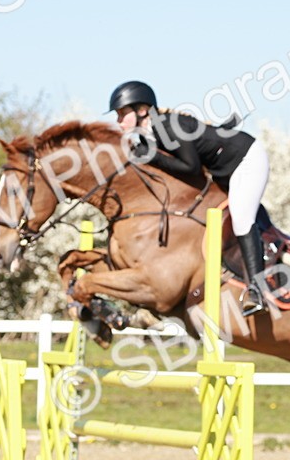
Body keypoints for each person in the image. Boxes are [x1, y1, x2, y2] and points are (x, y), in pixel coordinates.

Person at [108, 80, 269, 315]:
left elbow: (191, 168)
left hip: (246, 160)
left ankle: (257, 290)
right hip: (223, 170)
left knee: (242, 218)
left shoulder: (168, 126)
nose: (119, 121)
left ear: (142, 110)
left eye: (123, 114)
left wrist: (152, 156)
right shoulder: (148, 135)